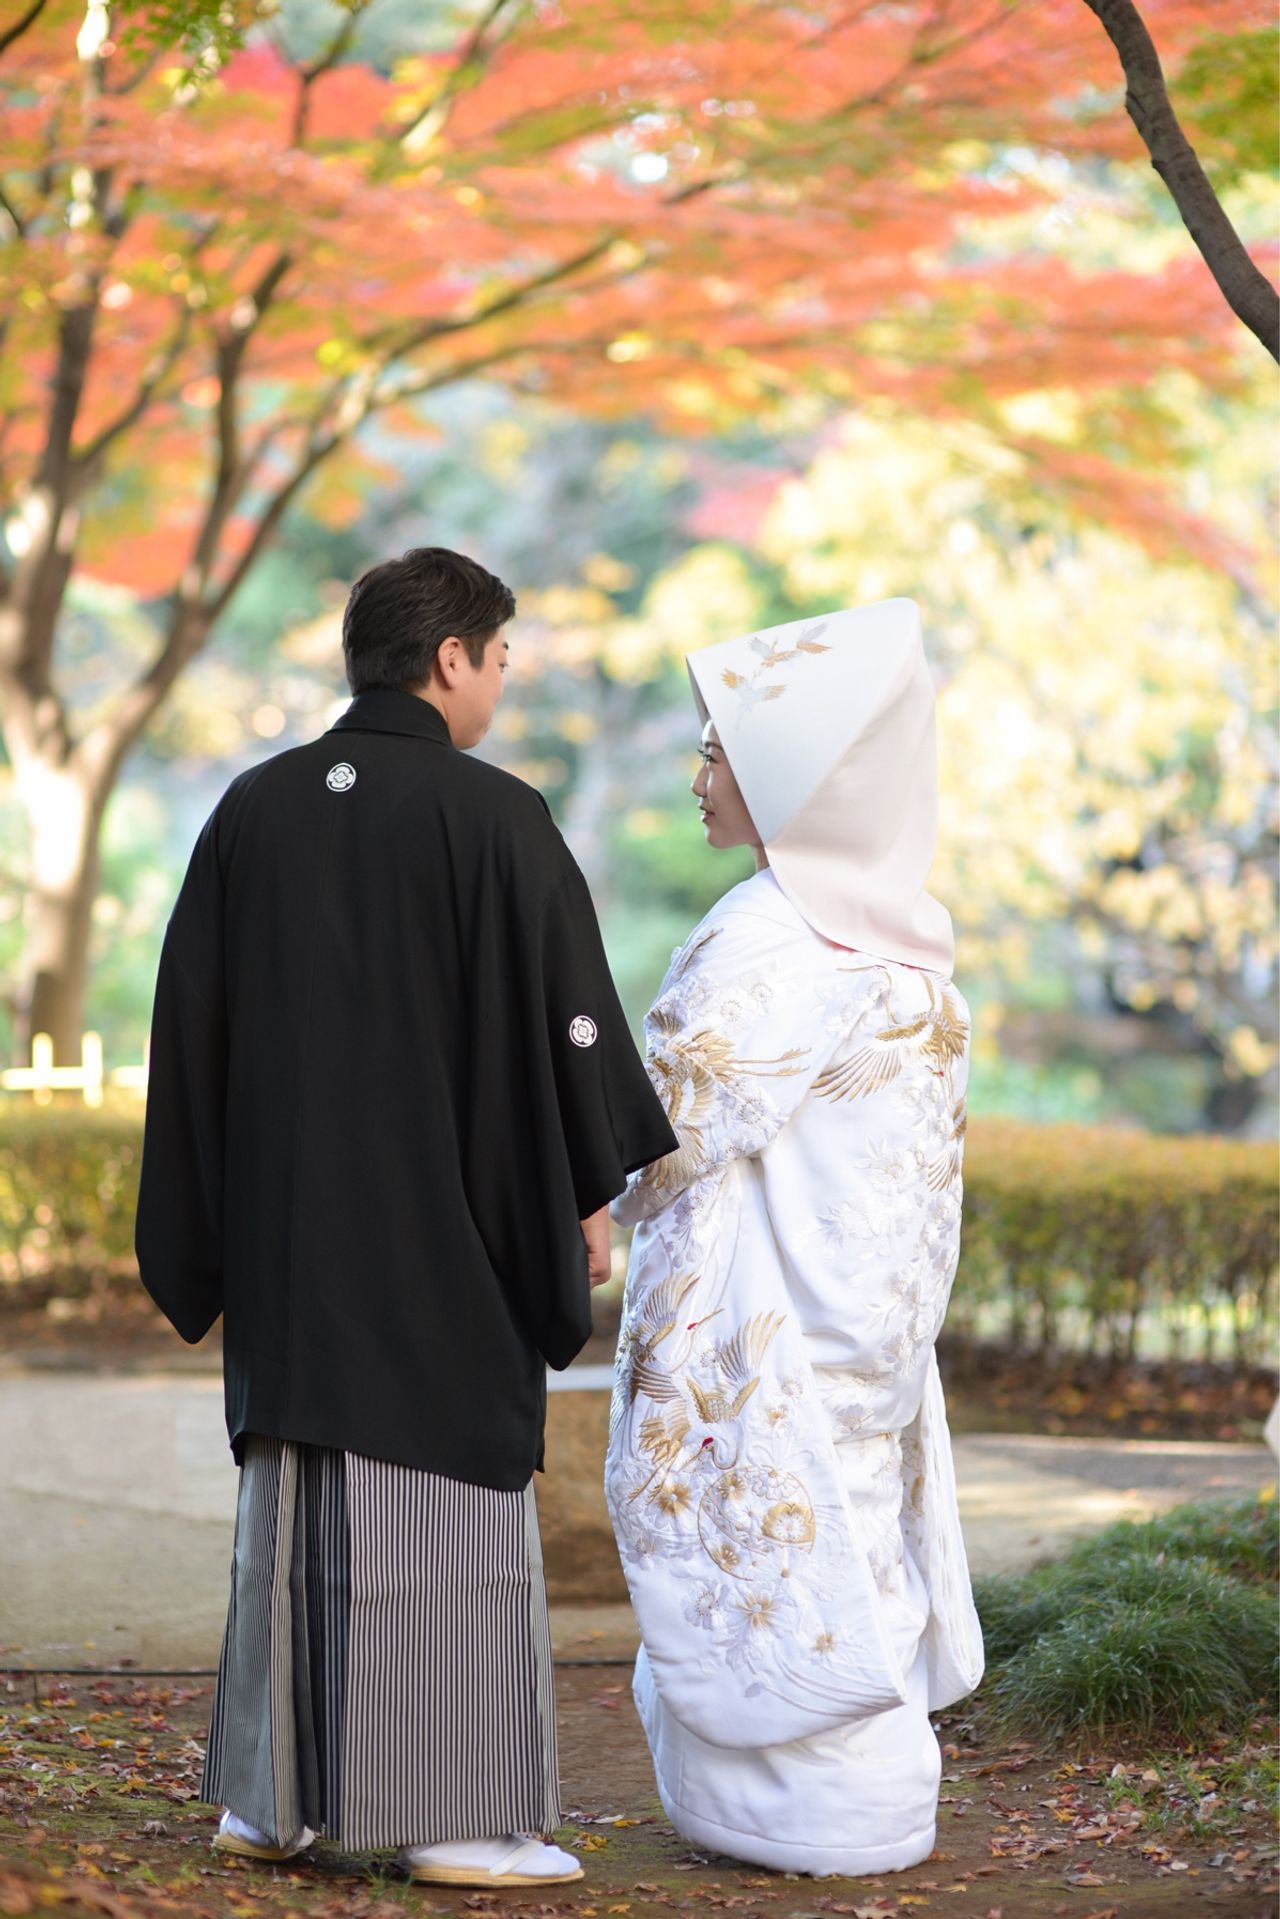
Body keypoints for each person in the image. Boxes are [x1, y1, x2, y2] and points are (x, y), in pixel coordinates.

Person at [135, 547, 678, 1889]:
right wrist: (585, 1190)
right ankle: (456, 1816)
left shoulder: (252, 808)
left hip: (288, 1239)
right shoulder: (497, 816)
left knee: (292, 1500)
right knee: (442, 1502)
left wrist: (209, 1228)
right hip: (444, 1242)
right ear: (450, 658)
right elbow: (567, 1025)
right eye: (499, 659)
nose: (499, 683)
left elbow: (189, 1032)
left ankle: (271, 1799)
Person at [604, 598, 983, 1877]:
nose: (697, 774)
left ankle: (795, 1821)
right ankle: (870, 1809)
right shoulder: (908, 935)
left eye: (716, 750)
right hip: (867, 1331)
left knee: (775, 1558)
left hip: (765, 1325)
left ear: (788, 776)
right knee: (850, 1546)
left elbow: (661, 1134)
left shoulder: (765, 933)